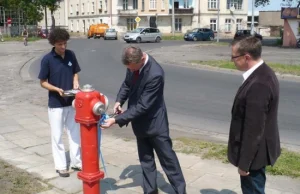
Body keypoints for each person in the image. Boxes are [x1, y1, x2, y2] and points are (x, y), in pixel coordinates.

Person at [101, 46, 186, 194]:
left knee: (168, 161)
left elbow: (143, 106)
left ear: (141, 59)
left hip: (155, 124)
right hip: (139, 124)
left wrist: (116, 120)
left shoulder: (155, 74)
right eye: (129, 68)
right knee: (146, 161)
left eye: (133, 68)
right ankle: (150, 191)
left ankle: (180, 191)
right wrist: (119, 101)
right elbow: (127, 84)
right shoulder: (133, 65)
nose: (131, 70)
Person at [228, 36, 281, 194]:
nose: (232, 60)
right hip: (255, 151)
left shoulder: (259, 83)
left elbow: (254, 129)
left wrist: (245, 163)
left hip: (254, 155)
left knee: (253, 190)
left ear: (246, 57)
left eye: (234, 57)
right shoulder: (262, 73)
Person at [38, 28, 82, 177]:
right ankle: (61, 165)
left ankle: (77, 162)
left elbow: (75, 72)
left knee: (75, 133)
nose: (63, 47)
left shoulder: (70, 55)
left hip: (71, 101)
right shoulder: (47, 59)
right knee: (57, 136)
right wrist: (56, 89)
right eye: (59, 44)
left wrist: (76, 82)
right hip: (56, 103)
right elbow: (42, 82)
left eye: (64, 43)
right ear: (53, 44)